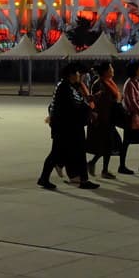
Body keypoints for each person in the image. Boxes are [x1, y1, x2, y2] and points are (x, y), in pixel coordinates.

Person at [37, 62, 98, 190]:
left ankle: (48, 177)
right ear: (71, 74)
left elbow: (78, 104)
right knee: (59, 153)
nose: (79, 75)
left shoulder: (69, 86)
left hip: (70, 127)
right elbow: (72, 107)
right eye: (77, 73)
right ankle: (81, 180)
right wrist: (87, 111)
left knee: (66, 153)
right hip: (65, 128)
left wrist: (88, 110)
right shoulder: (64, 87)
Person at [86, 62, 123, 179]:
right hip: (102, 119)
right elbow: (95, 100)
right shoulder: (99, 83)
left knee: (109, 144)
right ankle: (100, 168)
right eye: (111, 68)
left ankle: (97, 165)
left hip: (109, 117)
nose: (113, 70)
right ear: (106, 71)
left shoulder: (109, 82)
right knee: (107, 144)